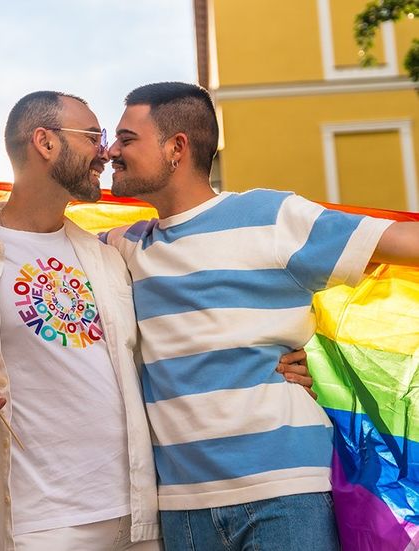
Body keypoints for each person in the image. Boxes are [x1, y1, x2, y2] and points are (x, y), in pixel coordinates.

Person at [0, 91, 314, 550]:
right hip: (32, 528)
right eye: (93, 136)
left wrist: (275, 356)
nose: (106, 151)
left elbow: (192, 314)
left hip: (142, 521)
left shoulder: (111, 255)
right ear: (45, 142)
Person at [103, 81, 419, 550]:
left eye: (126, 139)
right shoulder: (123, 248)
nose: (111, 150)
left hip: (285, 492)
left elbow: (401, 242)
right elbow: (36, 241)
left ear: (176, 147)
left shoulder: (271, 216)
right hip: (181, 506)